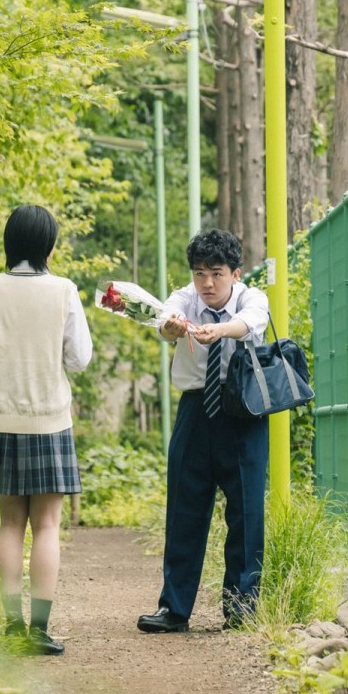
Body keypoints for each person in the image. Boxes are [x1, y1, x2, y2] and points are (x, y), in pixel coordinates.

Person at [0, 205, 92, 656]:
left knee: (9, 524)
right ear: (48, 246)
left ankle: (10, 629)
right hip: (49, 420)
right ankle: (40, 632)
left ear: (9, 243)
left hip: (1, 421)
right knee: (46, 526)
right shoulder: (64, 290)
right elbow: (79, 359)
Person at [137, 228, 270, 633]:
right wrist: (171, 328)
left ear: (235, 273)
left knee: (246, 511)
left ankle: (242, 608)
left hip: (243, 411)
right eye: (200, 274)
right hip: (196, 410)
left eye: (216, 274)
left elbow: (253, 322)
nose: (207, 283)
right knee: (184, 509)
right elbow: (164, 317)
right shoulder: (186, 298)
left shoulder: (251, 297)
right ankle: (174, 609)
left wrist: (221, 329)